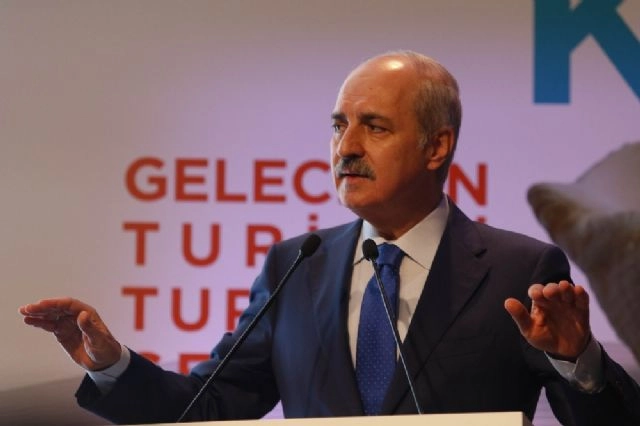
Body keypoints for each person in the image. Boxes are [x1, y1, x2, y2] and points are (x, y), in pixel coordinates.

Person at [20, 51, 640, 425]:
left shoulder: (516, 268)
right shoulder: (296, 265)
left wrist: (578, 361)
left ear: (437, 146)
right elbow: (205, 408)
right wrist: (112, 365)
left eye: (374, 127)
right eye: (339, 125)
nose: (345, 148)